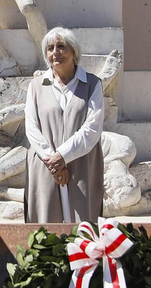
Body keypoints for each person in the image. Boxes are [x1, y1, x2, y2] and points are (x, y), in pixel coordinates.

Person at [23, 27, 105, 223]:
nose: (55, 53)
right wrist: (53, 161)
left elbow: (92, 127)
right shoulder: (36, 86)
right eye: (50, 48)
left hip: (82, 163)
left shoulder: (92, 84)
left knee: (82, 225)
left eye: (61, 47)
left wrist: (64, 155)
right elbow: (31, 126)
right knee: (45, 225)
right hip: (45, 165)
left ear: (74, 52)